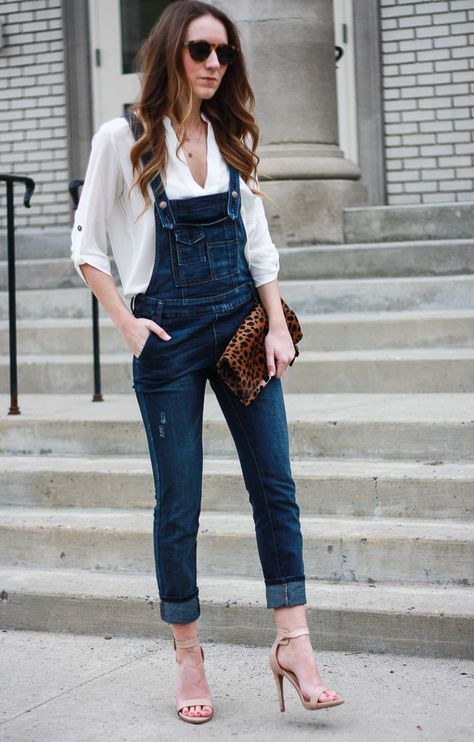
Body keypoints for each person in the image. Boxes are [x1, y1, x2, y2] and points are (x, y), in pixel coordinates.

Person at [71, 0, 344, 725]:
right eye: (200, 50)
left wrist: (278, 320)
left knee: (275, 485)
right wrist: (127, 325)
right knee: (179, 503)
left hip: (238, 324)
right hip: (165, 336)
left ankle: (296, 643)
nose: (215, 63)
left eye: (224, 51)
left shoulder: (229, 135)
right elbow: (86, 246)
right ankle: (188, 655)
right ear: (171, 53)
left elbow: (257, 242)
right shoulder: (122, 138)